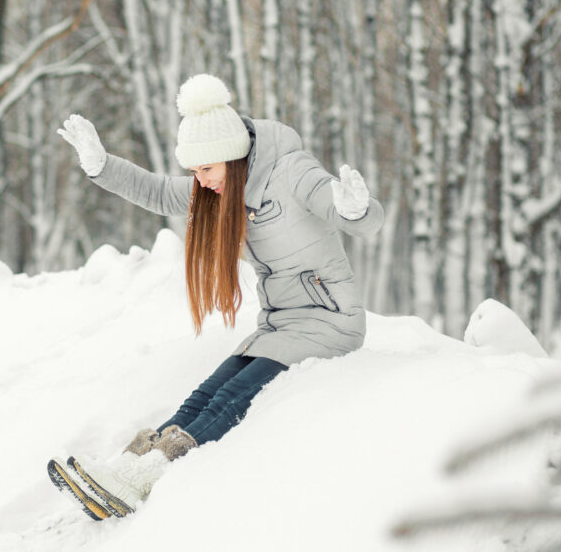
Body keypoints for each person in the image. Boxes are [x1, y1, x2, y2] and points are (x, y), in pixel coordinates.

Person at [54, 74, 384, 516]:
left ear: (231, 156)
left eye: (205, 169)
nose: (200, 181)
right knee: (205, 395)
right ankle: (128, 468)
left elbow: (348, 211)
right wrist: (101, 165)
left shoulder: (291, 170)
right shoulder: (220, 189)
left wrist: (356, 208)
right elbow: (155, 191)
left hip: (329, 320)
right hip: (278, 326)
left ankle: (144, 479)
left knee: (232, 399)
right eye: (194, 171)